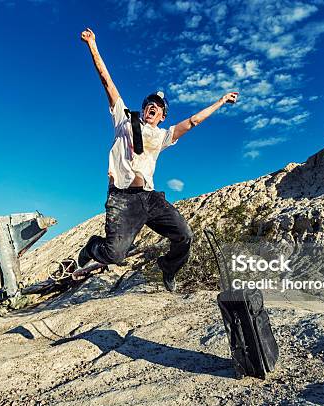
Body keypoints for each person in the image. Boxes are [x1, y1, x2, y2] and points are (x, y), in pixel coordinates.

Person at [77, 27, 238, 292]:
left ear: (162, 116)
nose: (153, 107)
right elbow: (107, 81)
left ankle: (168, 267)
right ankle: (91, 247)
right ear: (143, 109)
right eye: (149, 104)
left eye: (159, 107)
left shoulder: (163, 135)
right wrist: (92, 44)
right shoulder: (124, 120)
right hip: (122, 198)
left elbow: (194, 121)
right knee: (115, 254)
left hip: (150, 199)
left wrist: (221, 101)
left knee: (184, 235)